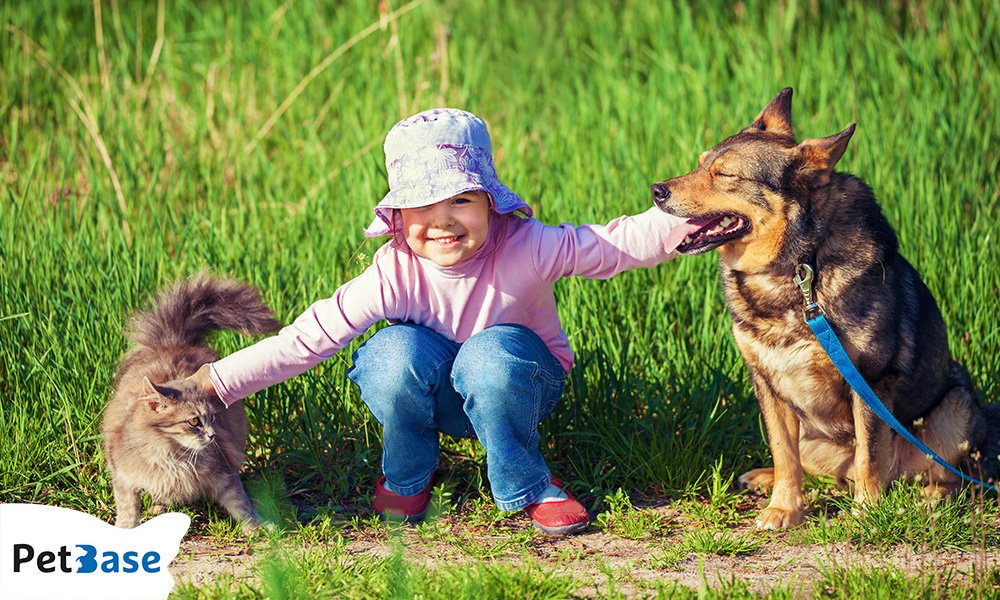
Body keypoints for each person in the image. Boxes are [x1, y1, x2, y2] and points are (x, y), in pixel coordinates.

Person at [193, 108, 700, 535]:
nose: (442, 221)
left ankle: (525, 481)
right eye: (421, 205)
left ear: (490, 204)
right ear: (397, 218)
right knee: (391, 354)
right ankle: (409, 477)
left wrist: (701, 216)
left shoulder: (529, 246)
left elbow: (615, 243)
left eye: (461, 199)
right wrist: (214, 382)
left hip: (520, 385)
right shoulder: (392, 271)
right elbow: (305, 340)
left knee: (489, 356)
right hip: (438, 396)